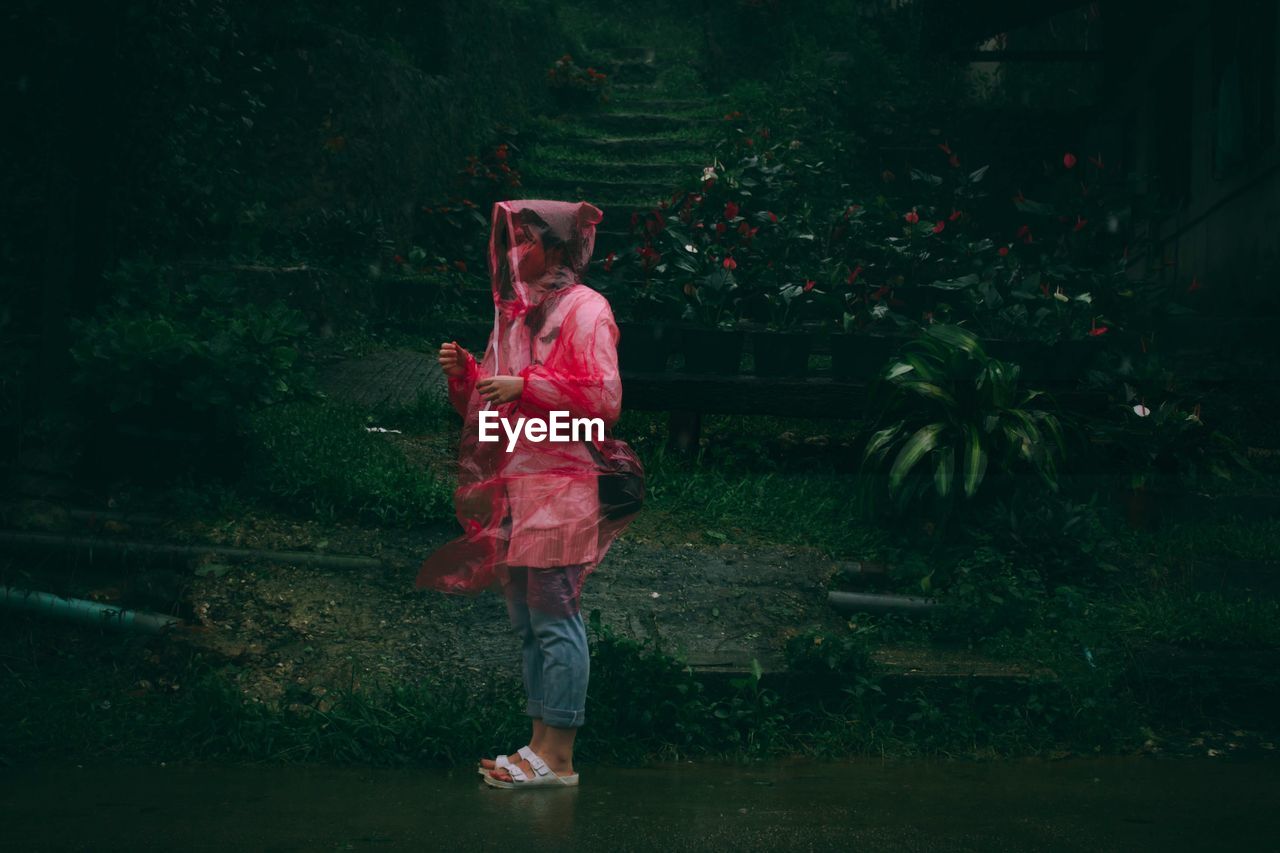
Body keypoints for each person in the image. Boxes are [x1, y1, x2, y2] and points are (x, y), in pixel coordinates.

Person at [417, 199, 644, 789]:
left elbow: (605, 400)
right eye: (508, 242)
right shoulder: (514, 317)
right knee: (527, 622)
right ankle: (539, 745)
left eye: (525, 242)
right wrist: (466, 378)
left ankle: (560, 756)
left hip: (566, 484)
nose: (512, 254)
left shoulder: (584, 309)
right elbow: (488, 419)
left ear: (560, 249)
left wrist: (527, 383)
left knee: (554, 617)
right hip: (520, 485)